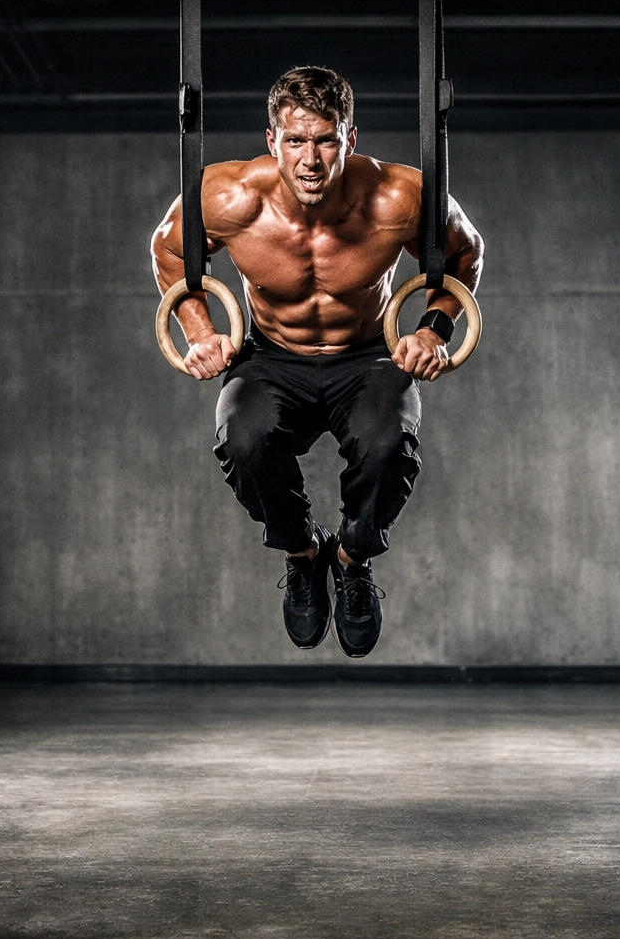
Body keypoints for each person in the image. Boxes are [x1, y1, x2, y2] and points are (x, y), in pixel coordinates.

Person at [149, 66, 483, 657]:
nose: (311, 159)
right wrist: (199, 330)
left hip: (368, 355)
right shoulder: (227, 197)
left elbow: (464, 250)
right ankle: (305, 555)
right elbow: (170, 249)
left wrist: (434, 328)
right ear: (272, 140)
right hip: (274, 356)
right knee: (242, 438)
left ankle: (352, 560)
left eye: (326, 139)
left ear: (350, 139)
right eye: (296, 141)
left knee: (387, 446)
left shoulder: (398, 197)